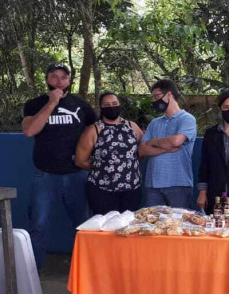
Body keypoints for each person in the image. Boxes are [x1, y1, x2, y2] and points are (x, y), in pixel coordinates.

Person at [22, 62, 95, 269]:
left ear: (69, 81)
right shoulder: (35, 104)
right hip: (44, 175)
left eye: (64, 77)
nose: (59, 81)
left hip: (76, 174)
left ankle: (83, 270)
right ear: (47, 79)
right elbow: (29, 131)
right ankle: (34, 272)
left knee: (83, 225)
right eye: (54, 76)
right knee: (38, 224)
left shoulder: (81, 105)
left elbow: (96, 132)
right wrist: (51, 104)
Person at [75, 92, 144, 214]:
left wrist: (127, 165)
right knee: (106, 228)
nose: (111, 107)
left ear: (120, 105)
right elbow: (80, 160)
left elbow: (142, 149)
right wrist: (101, 168)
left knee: (129, 227)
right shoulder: (93, 130)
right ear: (101, 108)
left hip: (131, 189)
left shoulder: (131, 126)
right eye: (106, 104)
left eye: (114, 103)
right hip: (102, 190)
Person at [137, 79, 198, 209]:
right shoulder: (154, 123)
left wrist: (152, 142)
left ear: (169, 94)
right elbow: (142, 150)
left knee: (179, 226)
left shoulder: (187, 119)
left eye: (157, 96)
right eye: (152, 97)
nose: (154, 100)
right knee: (151, 227)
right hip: (152, 185)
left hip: (179, 183)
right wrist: (166, 149)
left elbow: (176, 141)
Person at [196, 91, 229, 214]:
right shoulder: (211, 134)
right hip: (216, 193)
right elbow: (204, 166)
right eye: (226, 107)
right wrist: (202, 192)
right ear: (220, 109)